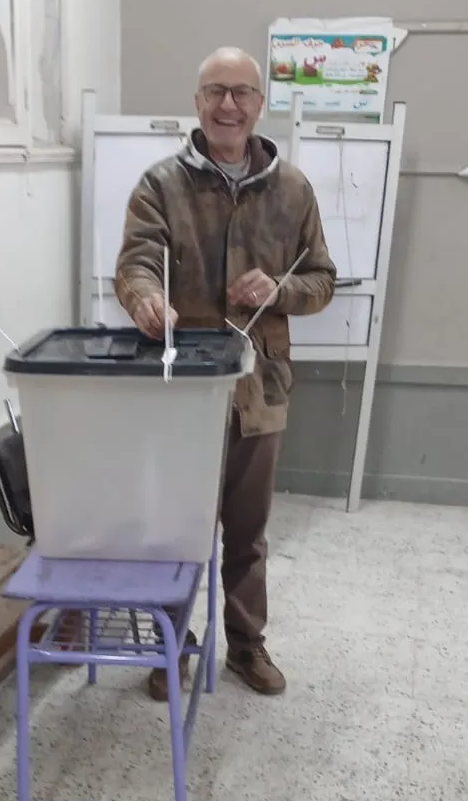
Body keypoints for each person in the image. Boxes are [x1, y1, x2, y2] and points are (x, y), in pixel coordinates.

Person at [115, 47, 336, 698]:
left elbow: (322, 280)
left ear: (260, 105)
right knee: (175, 531)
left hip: (259, 389)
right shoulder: (161, 184)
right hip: (182, 389)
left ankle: (246, 644)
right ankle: (172, 645)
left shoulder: (293, 190)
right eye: (215, 91)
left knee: (247, 532)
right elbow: (135, 263)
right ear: (197, 102)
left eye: (241, 92)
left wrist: (279, 289)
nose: (228, 105)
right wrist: (144, 297)